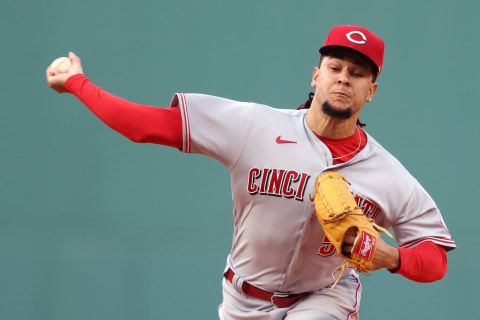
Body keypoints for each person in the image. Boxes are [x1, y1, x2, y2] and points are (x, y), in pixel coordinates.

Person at [46, 25, 455, 320]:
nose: (344, 79)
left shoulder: (387, 173)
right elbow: (143, 125)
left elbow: (435, 257)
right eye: (335, 67)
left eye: (358, 73)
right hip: (243, 299)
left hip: (324, 298)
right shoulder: (255, 128)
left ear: (372, 90)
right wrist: (78, 82)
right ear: (317, 76)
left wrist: (391, 257)